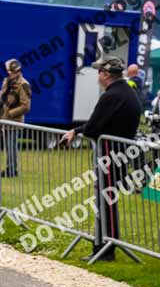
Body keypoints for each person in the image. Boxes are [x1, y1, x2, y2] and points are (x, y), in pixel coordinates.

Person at [60, 57, 141, 261]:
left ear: (105, 75)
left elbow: (93, 128)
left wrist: (77, 131)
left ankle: (106, 247)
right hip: (120, 153)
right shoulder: (126, 92)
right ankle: (104, 244)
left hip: (110, 155)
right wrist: (76, 131)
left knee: (106, 201)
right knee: (108, 200)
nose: (97, 76)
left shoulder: (111, 96)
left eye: (99, 72)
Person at [0, 59, 31, 178]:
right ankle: (9, 168)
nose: (10, 73)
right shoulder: (7, 81)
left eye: (11, 71)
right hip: (3, 119)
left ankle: (12, 170)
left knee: (11, 146)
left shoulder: (24, 84)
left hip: (14, 121)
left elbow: (26, 106)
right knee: (7, 146)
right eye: (9, 71)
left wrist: (11, 113)